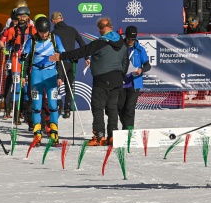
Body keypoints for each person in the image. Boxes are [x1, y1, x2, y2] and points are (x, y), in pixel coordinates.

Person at [50, 17, 129, 146]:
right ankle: (112, 136)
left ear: (99, 29)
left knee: (97, 107)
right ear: (111, 26)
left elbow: (82, 52)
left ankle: (99, 137)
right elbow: (126, 61)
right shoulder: (121, 41)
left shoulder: (100, 43)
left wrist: (62, 56)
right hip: (117, 80)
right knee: (112, 108)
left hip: (102, 79)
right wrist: (121, 75)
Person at [21, 16, 65, 145]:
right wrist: (23, 75)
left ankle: (54, 134)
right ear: (37, 31)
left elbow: (60, 57)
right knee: (36, 105)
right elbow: (25, 59)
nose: (44, 35)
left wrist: (60, 76)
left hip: (51, 74)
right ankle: (37, 135)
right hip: (36, 74)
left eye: (46, 32)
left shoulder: (55, 39)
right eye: (42, 32)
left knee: (52, 105)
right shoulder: (32, 41)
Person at [0, 6, 37, 123]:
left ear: (28, 16)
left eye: (25, 16)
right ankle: (16, 115)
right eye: (20, 16)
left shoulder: (33, 29)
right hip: (16, 60)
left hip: (29, 61)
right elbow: (8, 44)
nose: (22, 18)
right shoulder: (12, 30)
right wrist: (7, 49)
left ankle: (27, 114)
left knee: (28, 88)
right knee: (16, 87)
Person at [51, 11, 89, 118]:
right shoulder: (72, 30)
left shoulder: (53, 33)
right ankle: (67, 109)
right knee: (69, 86)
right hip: (71, 62)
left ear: (54, 21)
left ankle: (58, 107)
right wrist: (86, 57)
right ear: (62, 19)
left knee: (56, 86)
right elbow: (82, 43)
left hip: (60, 62)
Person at [118, 26, 150, 132]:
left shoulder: (140, 49)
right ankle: (125, 127)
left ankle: (129, 131)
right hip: (120, 83)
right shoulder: (119, 48)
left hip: (134, 83)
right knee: (121, 108)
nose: (130, 41)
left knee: (130, 109)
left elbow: (147, 65)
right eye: (128, 39)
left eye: (133, 39)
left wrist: (141, 69)